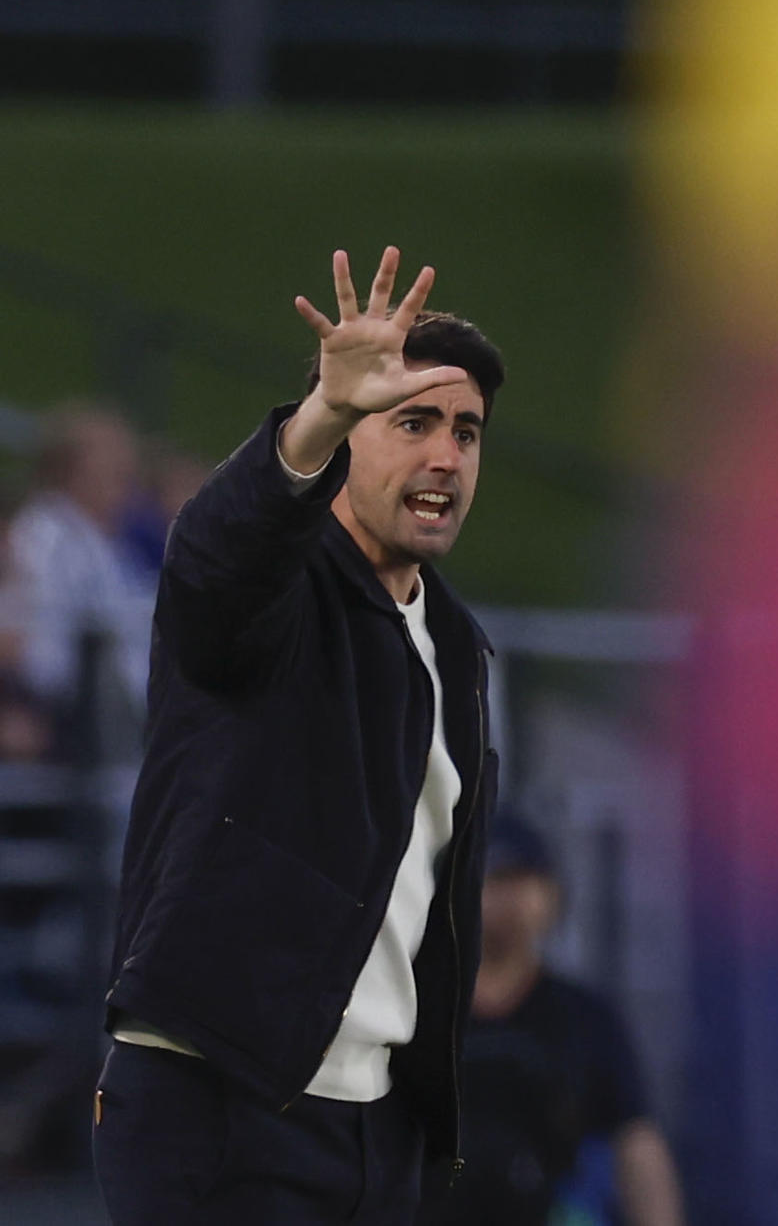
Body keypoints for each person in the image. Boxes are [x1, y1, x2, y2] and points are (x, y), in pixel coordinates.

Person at [91, 247, 505, 1225]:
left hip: (373, 1128)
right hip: (219, 1094)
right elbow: (212, 566)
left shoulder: (458, 644)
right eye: (412, 422)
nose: (445, 455)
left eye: (467, 431)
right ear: (352, 440)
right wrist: (318, 417)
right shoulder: (279, 577)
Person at [419, 811, 684, 1226]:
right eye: (496, 879)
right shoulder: (420, 1012)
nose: (513, 899)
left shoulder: (584, 1017)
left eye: (526, 881)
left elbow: (637, 1145)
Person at [0, 404, 153, 748]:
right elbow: (40, 646)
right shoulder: (45, 535)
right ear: (73, 468)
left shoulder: (108, 546)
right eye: (110, 454)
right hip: (70, 715)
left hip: (122, 711)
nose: (127, 464)